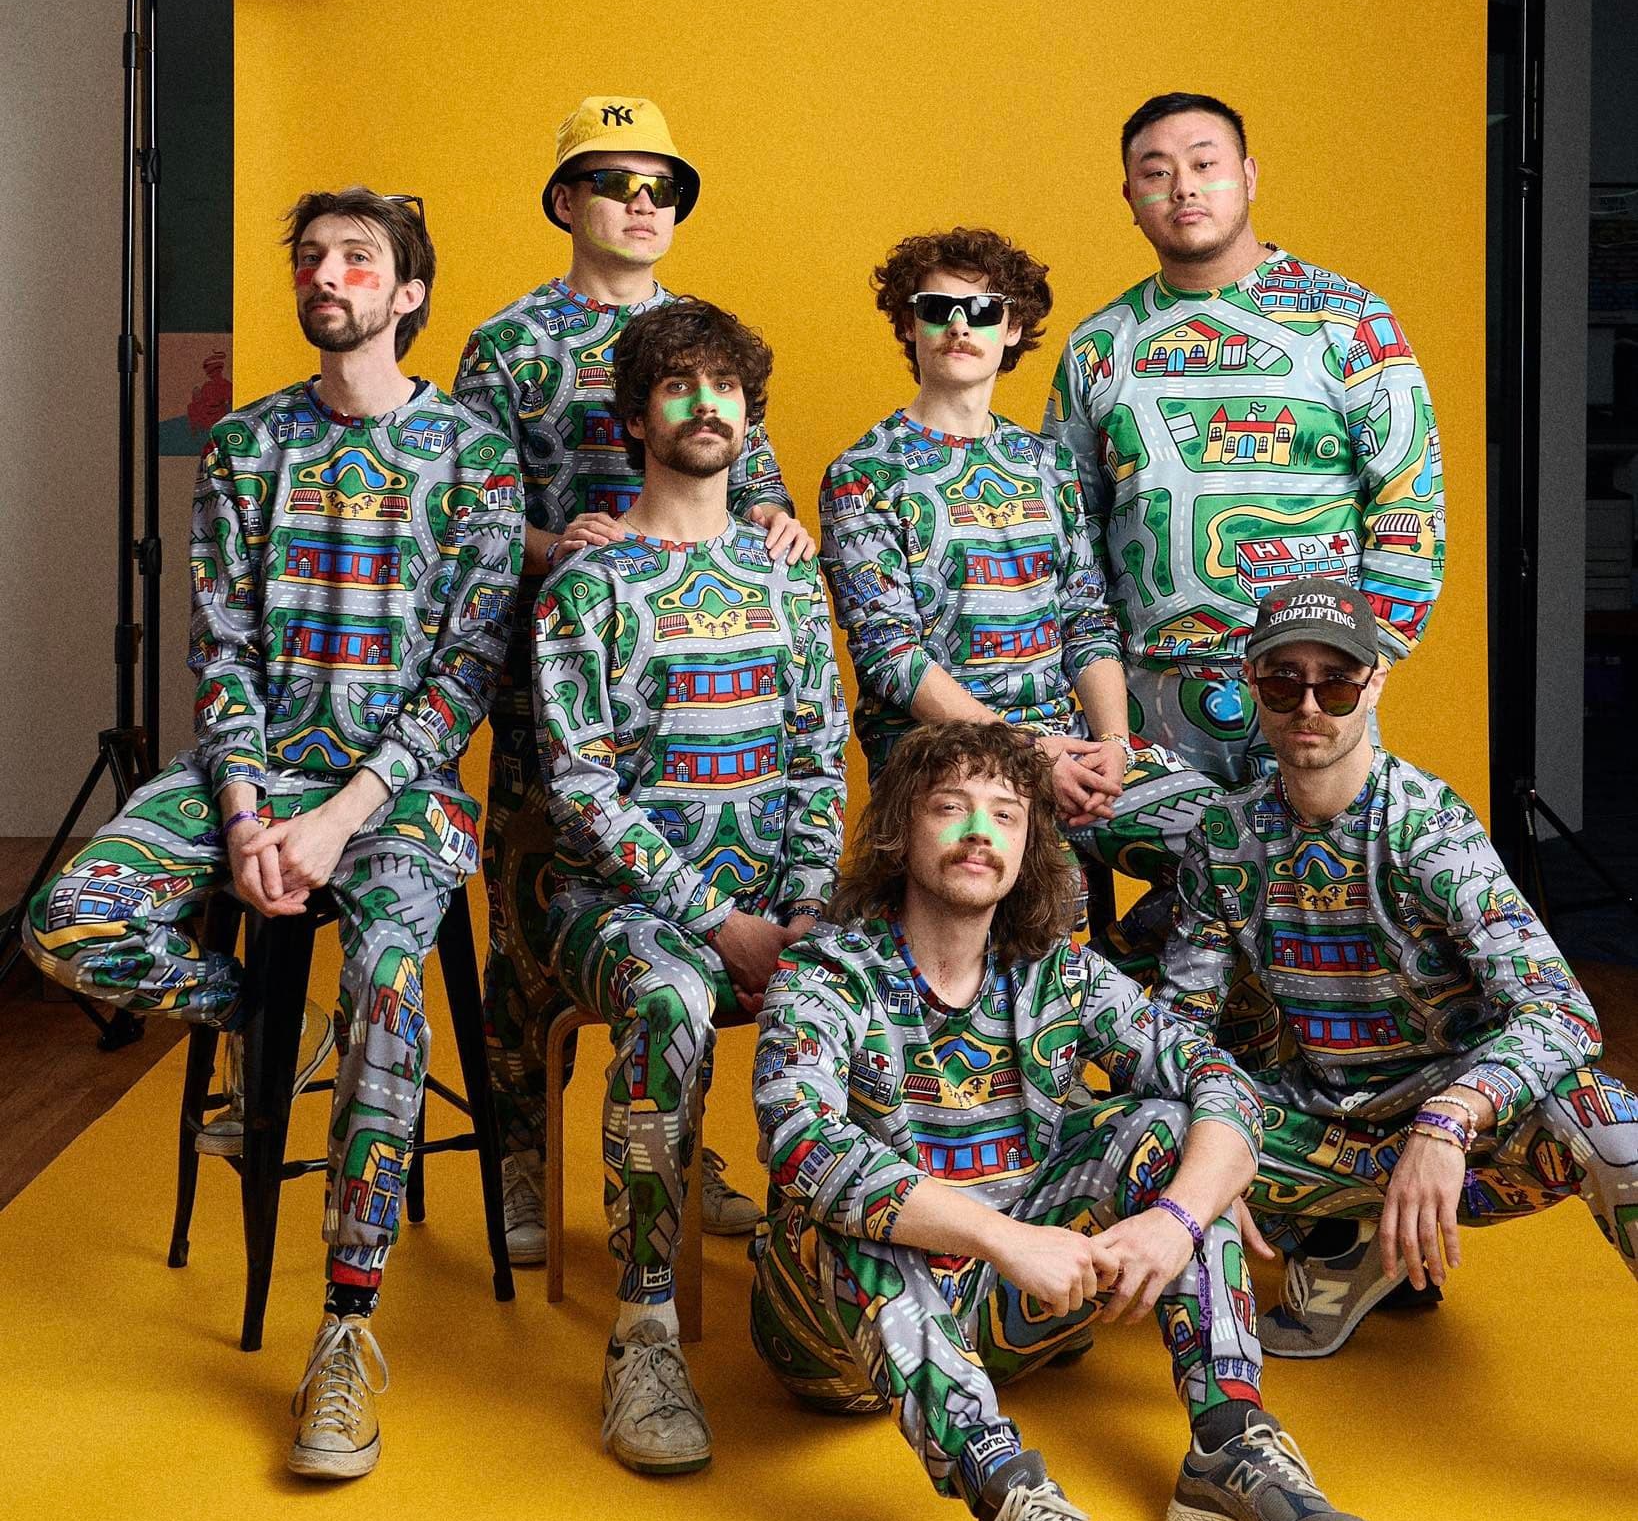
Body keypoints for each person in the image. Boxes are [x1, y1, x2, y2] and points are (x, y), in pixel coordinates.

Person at [23, 189, 522, 1477]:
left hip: (402, 793)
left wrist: (340, 817)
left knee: (387, 984)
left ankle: (346, 1325)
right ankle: (261, 1019)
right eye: (310, 257)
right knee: (65, 917)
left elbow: (465, 673)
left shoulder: (473, 454)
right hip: (249, 769)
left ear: (408, 292)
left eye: (356, 257)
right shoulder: (248, 443)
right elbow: (222, 649)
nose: (326, 274)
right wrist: (247, 814)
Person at [750, 721, 1372, 1521]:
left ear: (1029, 843)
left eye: (1006, 815)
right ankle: (1014, 1506)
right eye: (951, 807)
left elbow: (1219, 1081)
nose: (980, 833)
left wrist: (1181, 1213)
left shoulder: (1059, 974)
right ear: (901, 831)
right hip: (841, 1342)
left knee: (1173, 1131)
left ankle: (1229, 1445)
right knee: (848, 1218)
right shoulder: (826, 975)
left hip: (1013, 1309)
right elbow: (802, 1143)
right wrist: (1004, 1237)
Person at [454, 96, 807, 1263]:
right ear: (566, 201)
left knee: (693, 932)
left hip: (703, 676)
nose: (644, 203)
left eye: (664, 187)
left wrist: (773, 520)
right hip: (563, 683)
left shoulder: (705, 341)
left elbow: (757, 477)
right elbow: (470, 520)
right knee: (529, 938)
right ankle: (520, 1154)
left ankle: (677, 1151)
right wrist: (562, 548)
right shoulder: (508, 346)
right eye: (616, 182)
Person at [1154, 579, 1636, 1358]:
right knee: (1152, 1124)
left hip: (1465, 1135)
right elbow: (1177, 1028)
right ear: (1251, 685)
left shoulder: (1428, 829)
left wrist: (1450, 1118)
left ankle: (1361, 1241)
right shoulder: (1225, 837)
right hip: (1318, 1120)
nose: (1310, 705)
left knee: (1611, 1123)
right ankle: (1342, 1252)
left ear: (1374, 683)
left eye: (1337, 683)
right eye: (1284, 682)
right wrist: (1207, 1149)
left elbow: (1564, 1012)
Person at [533, 297, 846, 1475]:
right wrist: (720, 923)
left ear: (748, 415)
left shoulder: (786, 577)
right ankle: (645, 1329)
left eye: (725, 386)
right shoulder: (588, 586)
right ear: (634, 416)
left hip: (774, 900)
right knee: (670, 997)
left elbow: (820, 762)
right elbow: (581, 792)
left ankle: (852, 1289)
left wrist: (803, 909)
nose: (705, 404)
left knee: (897, 961)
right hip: (613, 908)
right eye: (678, 384)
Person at [819, 226, 1221, 934]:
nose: (959, 326)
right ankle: (1071, 979)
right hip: (947, 762)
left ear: (1012, 329)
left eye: (982, 310)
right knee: (1044, 918)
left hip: (1071, 743)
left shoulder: (1047, 465)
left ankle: (1117, 980)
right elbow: (891, 658)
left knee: (1240, 848)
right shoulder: (865, 474)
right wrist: (1029, 754)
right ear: (908, 326)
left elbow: (1086, 620)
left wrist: (1115, 746)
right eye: (937, 308)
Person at [1044, 91, 1444, 787]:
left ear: (1249, 177)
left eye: (1205, 164)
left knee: (1310, 854)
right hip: (1144, 696)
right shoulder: (1098, 345)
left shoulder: (1348, 320)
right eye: (1157, 172)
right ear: (1130, 198)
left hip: (1310, 691)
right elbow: (1068, 530)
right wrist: (1097, 697)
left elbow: (1410, 498)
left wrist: (1357, 667)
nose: (1184, 187)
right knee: (1169, 857)